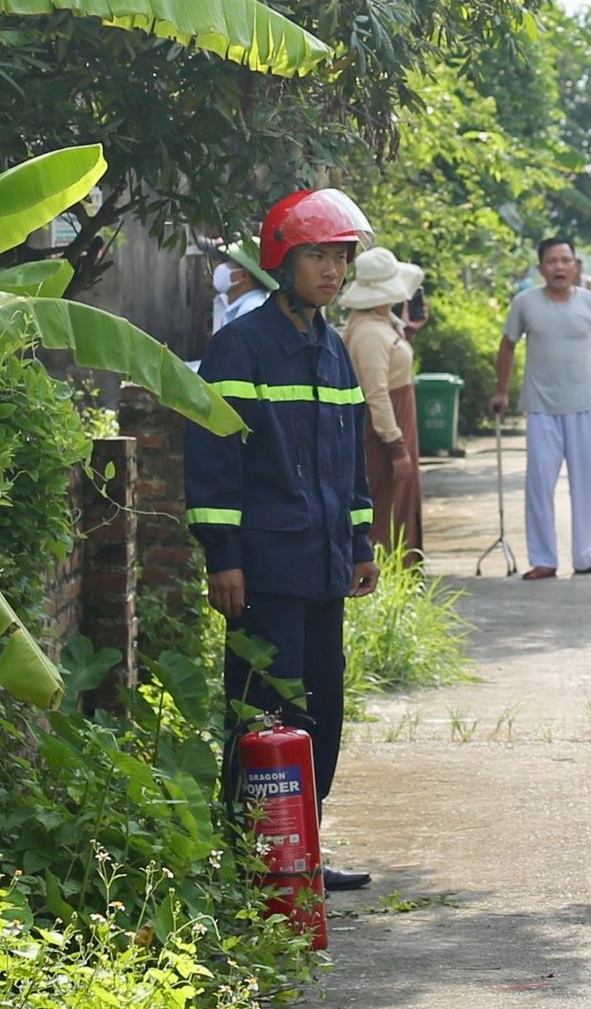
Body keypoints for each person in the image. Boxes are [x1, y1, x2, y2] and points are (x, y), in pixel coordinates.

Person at [185, 188, 382, 893]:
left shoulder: (333, 350)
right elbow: (213, 463)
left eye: (341, 257)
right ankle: (250, 856)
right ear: (283, 259)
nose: (332, 270)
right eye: (318, 255)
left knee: (320, 710)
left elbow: (352, 463)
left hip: (324, 567)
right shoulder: (240, 346)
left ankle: (301, 848)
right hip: (264, 571)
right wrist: (225, 558)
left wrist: (361, 544)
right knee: (263, 709)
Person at [492, 238, 591, 580]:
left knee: (586, 484)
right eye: (552, 261)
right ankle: (544, 559)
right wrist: (501, 391)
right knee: (539, 486)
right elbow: (507, 346)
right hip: (541, 407)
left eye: (566, 260)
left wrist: (581, 369)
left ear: (576, 265)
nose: (559, 267)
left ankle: (585, 556)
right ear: (540, 268)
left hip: (584, 406)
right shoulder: (525, 303)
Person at [341, 247, 426, 568]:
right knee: (386, 506)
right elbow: (376, 393)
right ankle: (384, 574)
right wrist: (395, 445)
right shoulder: (369, 333)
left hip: (396, 421)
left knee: (399, 502)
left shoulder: (379, 324)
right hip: (383, 432)